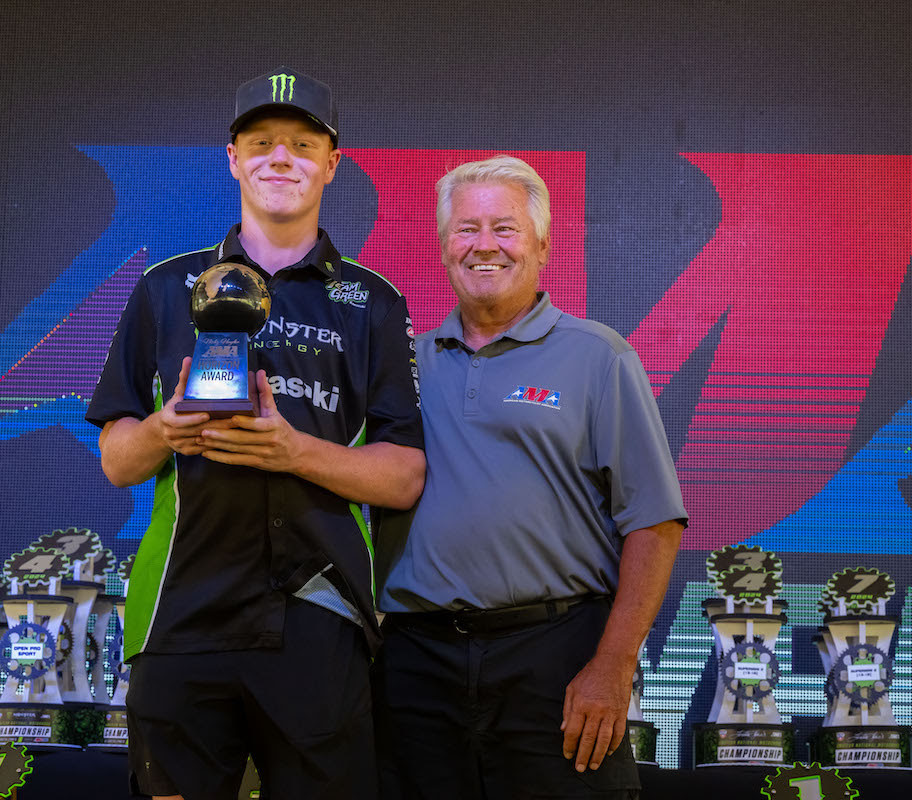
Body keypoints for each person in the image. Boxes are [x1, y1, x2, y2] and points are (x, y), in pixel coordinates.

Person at [87, 66, 425, 800]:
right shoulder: (164, 289)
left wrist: (293, 451)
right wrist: (168, 429)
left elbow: (402, 476)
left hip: (320, 614)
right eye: (263, 141)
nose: (282, 158)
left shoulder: (372, 301)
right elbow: (117, 461)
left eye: (304, 145)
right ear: (233, 158)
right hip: (181, 610)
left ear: (332, 166)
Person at [373, 155, 686, 799]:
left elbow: (654, 524)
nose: (484, 244)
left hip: (556, 657)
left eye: (505, 228)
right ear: (442, 247)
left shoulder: (600, 356)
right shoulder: (403, 369)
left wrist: (613, 665)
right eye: (465, 229)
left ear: (542, 244)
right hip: (415, 662)